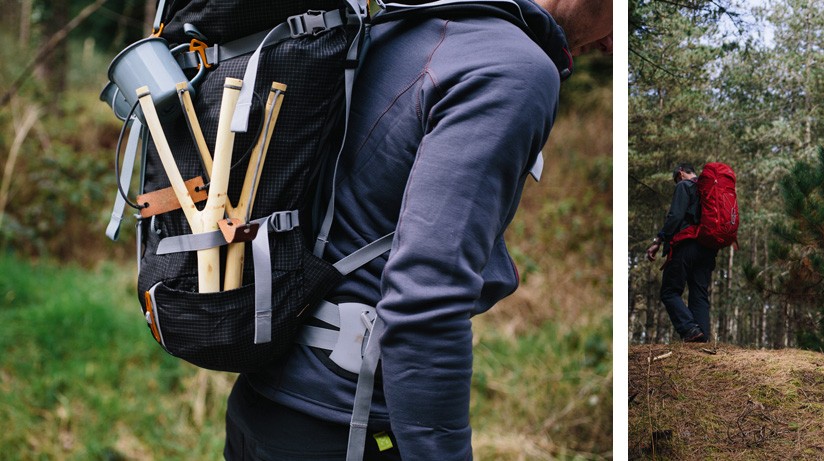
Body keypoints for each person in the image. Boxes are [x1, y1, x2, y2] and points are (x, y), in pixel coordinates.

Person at [223, 1, 613, 459]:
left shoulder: (399, 22)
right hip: (345, 428)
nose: (611, 44)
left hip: (262, 405)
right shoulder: (515, 69)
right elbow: (426, 301)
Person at [645, 163, 718, 343]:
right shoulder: (710, 191)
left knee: (669, 292)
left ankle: (690, 329)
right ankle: (701, 338)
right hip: (708, 248)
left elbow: (675, 216)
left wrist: (658, 241)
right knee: (699, 293)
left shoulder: (684, 186)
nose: (677, 182)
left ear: (681, 173)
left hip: (686, 244)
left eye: (677, 179)